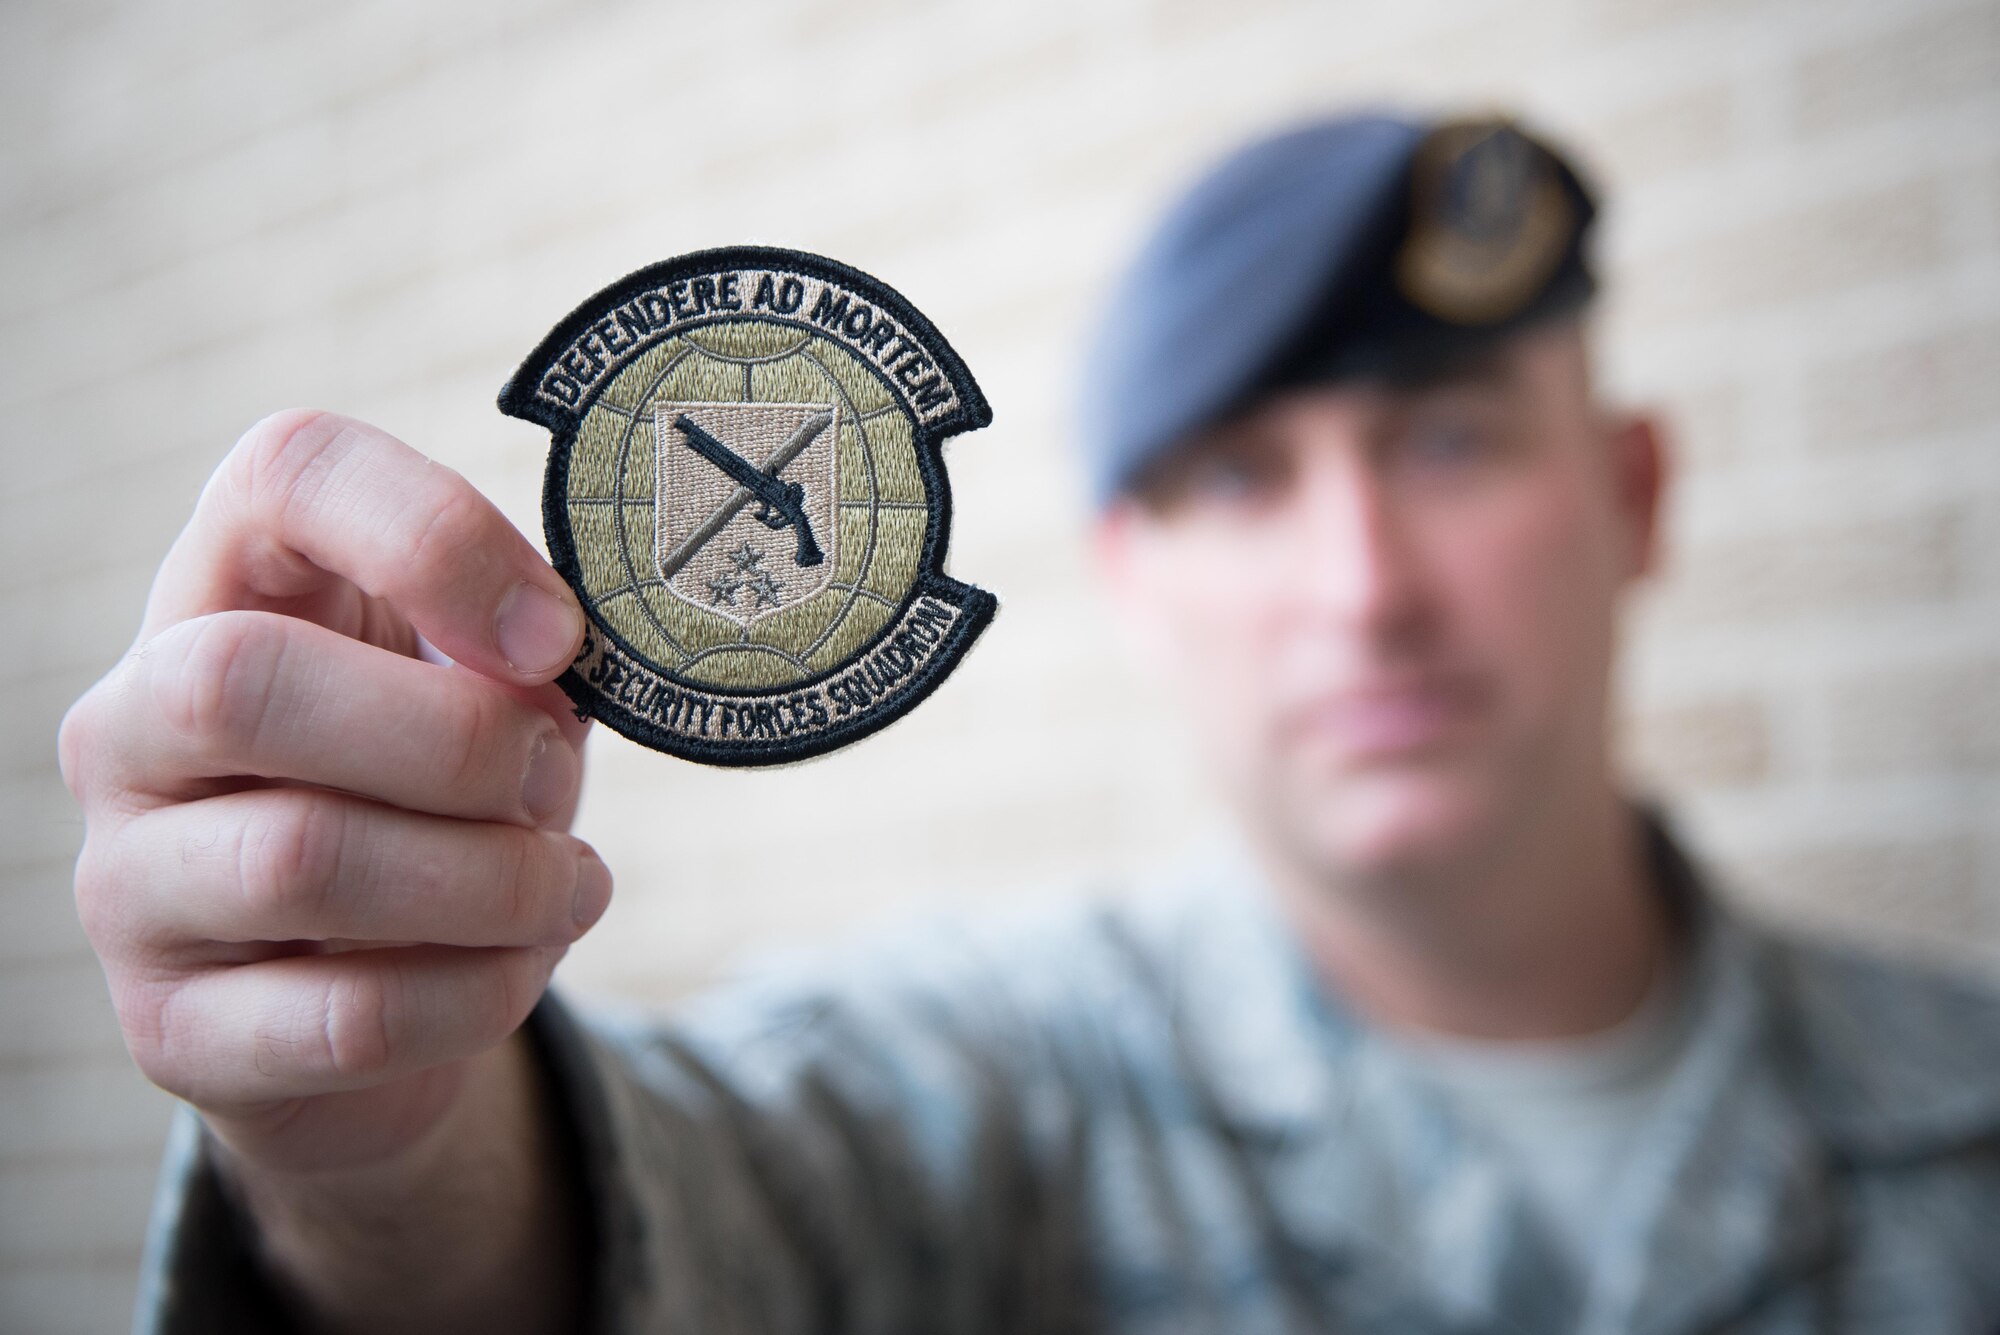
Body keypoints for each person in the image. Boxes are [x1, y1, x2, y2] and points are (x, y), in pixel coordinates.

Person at [60, 110, 2000, 1335]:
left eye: (1448, 437)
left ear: (1635, 492)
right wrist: (383, 1143)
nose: (1365, 579)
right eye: (1239, 477)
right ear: (1132, 573)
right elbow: (675, 1222)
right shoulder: (991, 1089)